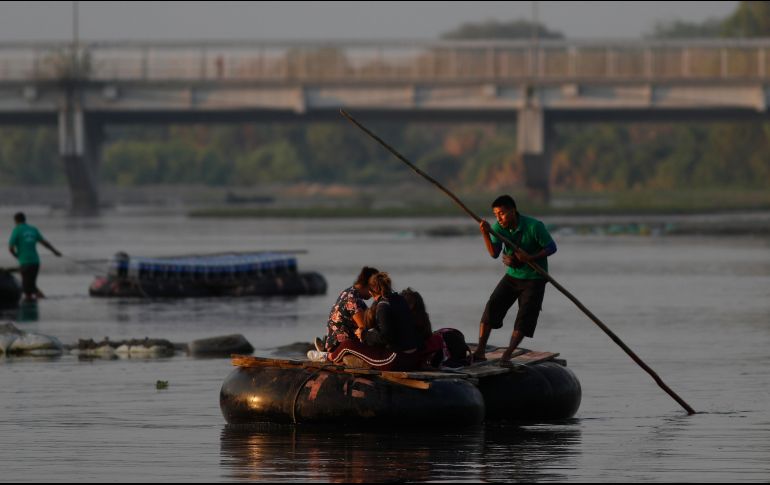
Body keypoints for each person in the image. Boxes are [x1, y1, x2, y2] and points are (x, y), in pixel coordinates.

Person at [474, 195, 557, 363]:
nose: (499, 218)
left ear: (513, 211)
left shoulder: (534, 226)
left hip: (535, 278)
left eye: (502, 213)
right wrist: (485, 233)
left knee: (525, 316)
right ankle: (480, 351)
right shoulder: (498, 227)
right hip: (513, 276)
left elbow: (551, 247)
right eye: (496, 214)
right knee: (492, 306)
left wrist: (530, 258)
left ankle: (507, 355)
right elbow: (494, 253)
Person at [324, 272, 423, 371]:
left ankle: (327, 357)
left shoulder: (383, 306)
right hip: (413, 357)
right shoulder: (400, 299)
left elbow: (385, 337)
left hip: (395, 360)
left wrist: (364, 334)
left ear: (370, 291)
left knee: (347, 345)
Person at [321, 266, 379, 352]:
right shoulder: (353, 299)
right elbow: (364, 327)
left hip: (336, 342)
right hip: (341, 346)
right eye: (376, 287)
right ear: (369, 284)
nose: (375, 292)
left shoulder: (349, 292)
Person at [8, 212, 62, 301]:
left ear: (16, 221)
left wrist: (17, 256)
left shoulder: (17, 230)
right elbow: (45, 243)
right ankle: (32, 302)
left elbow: (10, 248)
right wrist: (55, 252)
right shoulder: (33, 229)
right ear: (24, 219)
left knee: (28, 287)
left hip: (25, 262)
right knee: (30, 286)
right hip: (35, 262)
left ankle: (43, 300)